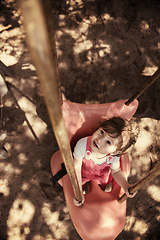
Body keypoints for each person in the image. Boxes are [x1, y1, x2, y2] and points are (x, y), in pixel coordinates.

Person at [73, 116, 139, 206]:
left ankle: (98, 190)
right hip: (83, 173)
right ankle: (83, 189)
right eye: (102, 132)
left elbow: (116, 172)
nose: (99, 140)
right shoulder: (82, 145)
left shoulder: (113, 157)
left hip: (100, 176)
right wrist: (78, 190)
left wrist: (125, 185)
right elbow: (76, 167)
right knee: (80, 185)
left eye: (108, 142)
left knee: (101, 189)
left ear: (115, 152)